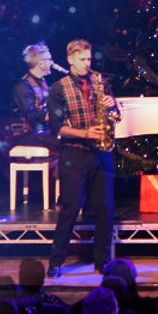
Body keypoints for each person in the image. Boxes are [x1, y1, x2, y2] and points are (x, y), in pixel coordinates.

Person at [46, 39, 120, 277]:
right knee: (70, 208)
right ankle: (56, 262)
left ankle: (102, 261)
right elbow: (56, 128)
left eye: (89, 59)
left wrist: (112, 106)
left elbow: (116, 116)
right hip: (74, 153)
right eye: (82, 60)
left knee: (105, 209)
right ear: (70, 60)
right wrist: (85, 132)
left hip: (101, 152)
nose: (87, 64)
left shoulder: (99, 81)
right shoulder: (58, 88)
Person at [7, 42, 60, 150]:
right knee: (65, 141)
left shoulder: (42, 82)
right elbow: (30, 116)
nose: (52, 63)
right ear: (40, 64)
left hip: (39, 132)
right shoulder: (23, 86)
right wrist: (53, 116)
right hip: (25, 135)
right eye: (49, 59)